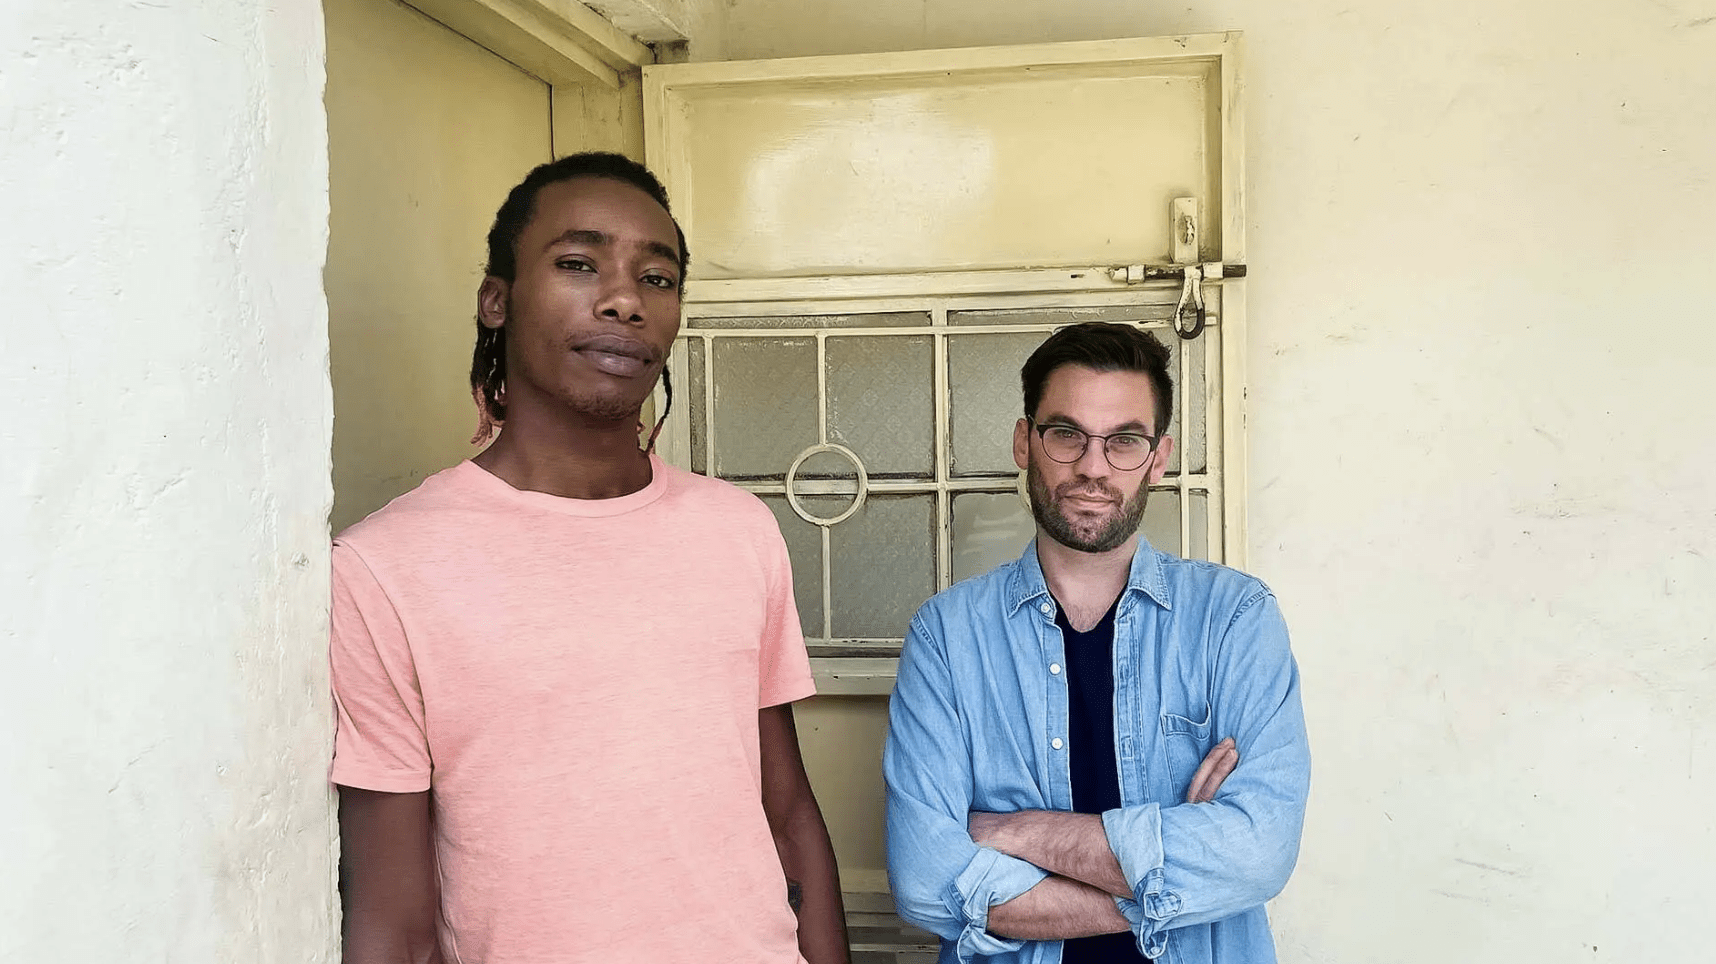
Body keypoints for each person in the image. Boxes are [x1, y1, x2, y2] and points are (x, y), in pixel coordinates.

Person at [330, 152, 849, 964]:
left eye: (658, 277)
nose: (624, 300)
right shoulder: (384, 569)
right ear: (496, 301)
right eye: (578, 264)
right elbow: (391, 922)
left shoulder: (737, 530)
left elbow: (787, 816)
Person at [883, 322, 1310, 964]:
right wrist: (1169, 868)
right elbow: (924, 881)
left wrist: (1019, 833)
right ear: (1026, 442)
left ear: (1158, 459)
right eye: (1067, 435)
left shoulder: (1234, 620)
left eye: (1124, 442)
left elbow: (1258, 856)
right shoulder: (947, 635)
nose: (1092, 467)